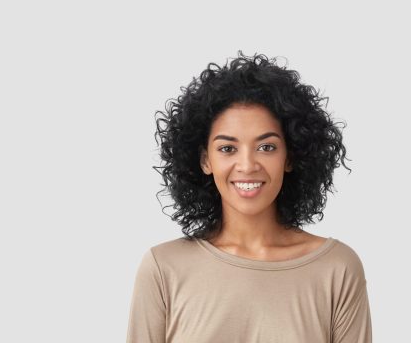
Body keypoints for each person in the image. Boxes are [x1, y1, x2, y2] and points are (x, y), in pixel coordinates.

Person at [126, 51, 373, 343]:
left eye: (266, 147)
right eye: (227, 149)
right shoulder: (163, 268)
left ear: (290, 157)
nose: (247, 165)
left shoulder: (336, 269)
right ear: (205, 161)